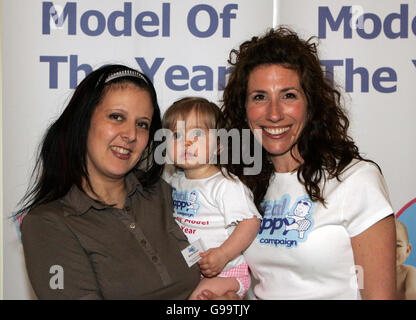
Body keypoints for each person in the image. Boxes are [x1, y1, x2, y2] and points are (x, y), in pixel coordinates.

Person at [199, 27, 396, 300]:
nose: (274, 113)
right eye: (259, 97)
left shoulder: (355, 179)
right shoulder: (241, 185)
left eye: (288, 95)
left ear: (310, 103)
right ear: (243, 110)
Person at [17, 64, 200, 299]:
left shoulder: (160, 192)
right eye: (116, 117)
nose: (131, 134)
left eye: (142, 124)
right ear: (82, 121)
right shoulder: (47, 224)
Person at [161, 97, 261, 299]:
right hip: (191, 270)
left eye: (197, 134)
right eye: (177, 135)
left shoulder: (225, 185)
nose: (187, 142)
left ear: (219, 145)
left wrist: (223, 254)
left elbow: (250, 222)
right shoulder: (173, 180)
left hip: (227, 271)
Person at [395, 219, 416, 299]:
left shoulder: (409, 272)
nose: (391, 250)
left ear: (407, 250)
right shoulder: (369, 273)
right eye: (384, 246)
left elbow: (412, 293)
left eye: (398, 245)